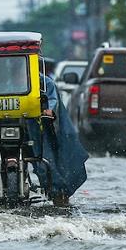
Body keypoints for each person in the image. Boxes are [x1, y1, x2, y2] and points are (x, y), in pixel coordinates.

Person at [26, 73, 88, 207]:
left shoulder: (45, 83)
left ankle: (59, 195)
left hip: (40, 128)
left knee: (47, 162)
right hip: (17, 127)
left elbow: (52, 101)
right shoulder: (4, 81)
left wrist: (49, 110)